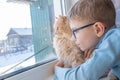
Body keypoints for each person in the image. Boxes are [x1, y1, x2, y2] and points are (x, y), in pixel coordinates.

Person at [53, 0, 120, 80]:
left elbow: (81, 77)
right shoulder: (114, 39)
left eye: (75, 31)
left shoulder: (115, 41)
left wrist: (57, 70)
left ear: (98, 29)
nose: (73, 38)